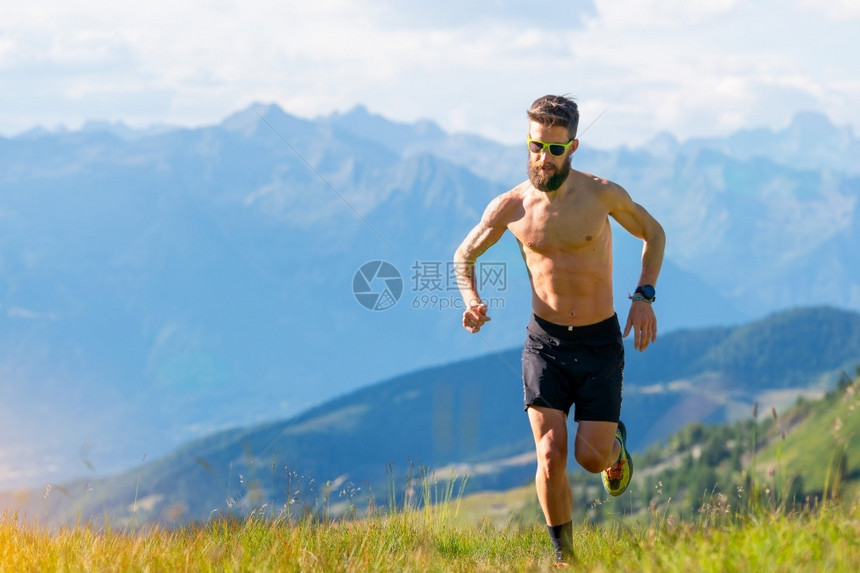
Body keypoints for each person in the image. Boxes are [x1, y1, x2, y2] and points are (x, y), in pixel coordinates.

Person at [453, 95, 665, 565]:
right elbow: (463, 257)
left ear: (572, 146)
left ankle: (614, 450)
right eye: (534, 146)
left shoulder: (602, 195)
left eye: (553, 149)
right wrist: (471, 301)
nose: (541, 158)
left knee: (589, 458)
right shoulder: (510, 207)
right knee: (550, 455)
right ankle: (565, 558)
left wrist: (644, 296)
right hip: (544, 344)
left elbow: (655, 234)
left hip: (599, 342)